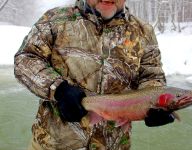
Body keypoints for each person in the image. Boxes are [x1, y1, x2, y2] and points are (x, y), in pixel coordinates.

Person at [14, 0, 175, 149]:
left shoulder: (143, 31)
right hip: (53, 143)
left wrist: (155, 102)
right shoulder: (55, 19)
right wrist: (59, 89)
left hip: (115, 145)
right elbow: (25, 59)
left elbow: (152, 76)